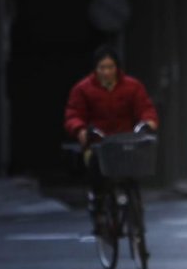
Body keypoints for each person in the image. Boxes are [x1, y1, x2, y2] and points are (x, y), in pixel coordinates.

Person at [63, 45, 159, 220]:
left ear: (117, 68)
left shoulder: (132, 87)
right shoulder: (82, 89)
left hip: (125, 142)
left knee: (134, 171)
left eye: (110, 67)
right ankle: (98, 204)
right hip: (98, 143)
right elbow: (73, 114)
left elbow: (145, 108)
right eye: (102, 67)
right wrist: (80, 129)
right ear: (96, 69)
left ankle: (134, 211)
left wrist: (148, 121)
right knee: (96, 171)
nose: (106, 72)